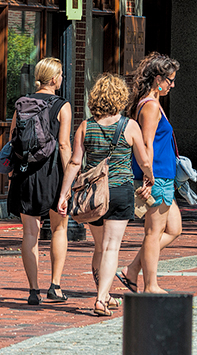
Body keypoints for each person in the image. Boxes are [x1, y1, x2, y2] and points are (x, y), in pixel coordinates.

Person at [57, 74, 154, 317]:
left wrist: (64, 194)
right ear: (120, 97)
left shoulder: (85, 126)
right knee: (112, 248)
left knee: (100, 247)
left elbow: (75, 162)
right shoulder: (130, 126)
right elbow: (143, 160)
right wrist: (149, 177)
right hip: (120, 189)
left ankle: (105, 294)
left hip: (93, 196)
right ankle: (101, 299)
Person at [7, 57, 73, 305]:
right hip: (52, 173)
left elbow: (14, 138)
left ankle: (33, 290)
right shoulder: (61, 105)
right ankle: (55, 286)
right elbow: (65, 145)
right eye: (61, 75)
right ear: (55, 79)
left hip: (25, 173)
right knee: (59, 228)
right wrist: (69, 181)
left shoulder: (22, 103)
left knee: (29, 233)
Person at [117, 53, 182, 294]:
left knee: (174, 228)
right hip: (157, 176)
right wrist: (148, 175)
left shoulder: (151, 103)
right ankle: (150, 285)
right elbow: (146, 143)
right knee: (153, 233)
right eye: (170, 80)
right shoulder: (151, 106)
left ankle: (132, 270)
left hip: (164, 175)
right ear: (158, 79)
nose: (172, 85)